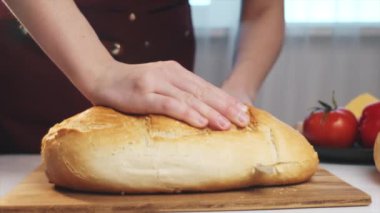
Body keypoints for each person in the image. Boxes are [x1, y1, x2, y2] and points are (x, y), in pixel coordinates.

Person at [0, 0, 284, 153]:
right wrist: (102, 72)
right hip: (32, 69)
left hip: (164, 55)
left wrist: (239, 92)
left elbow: (263, 9)